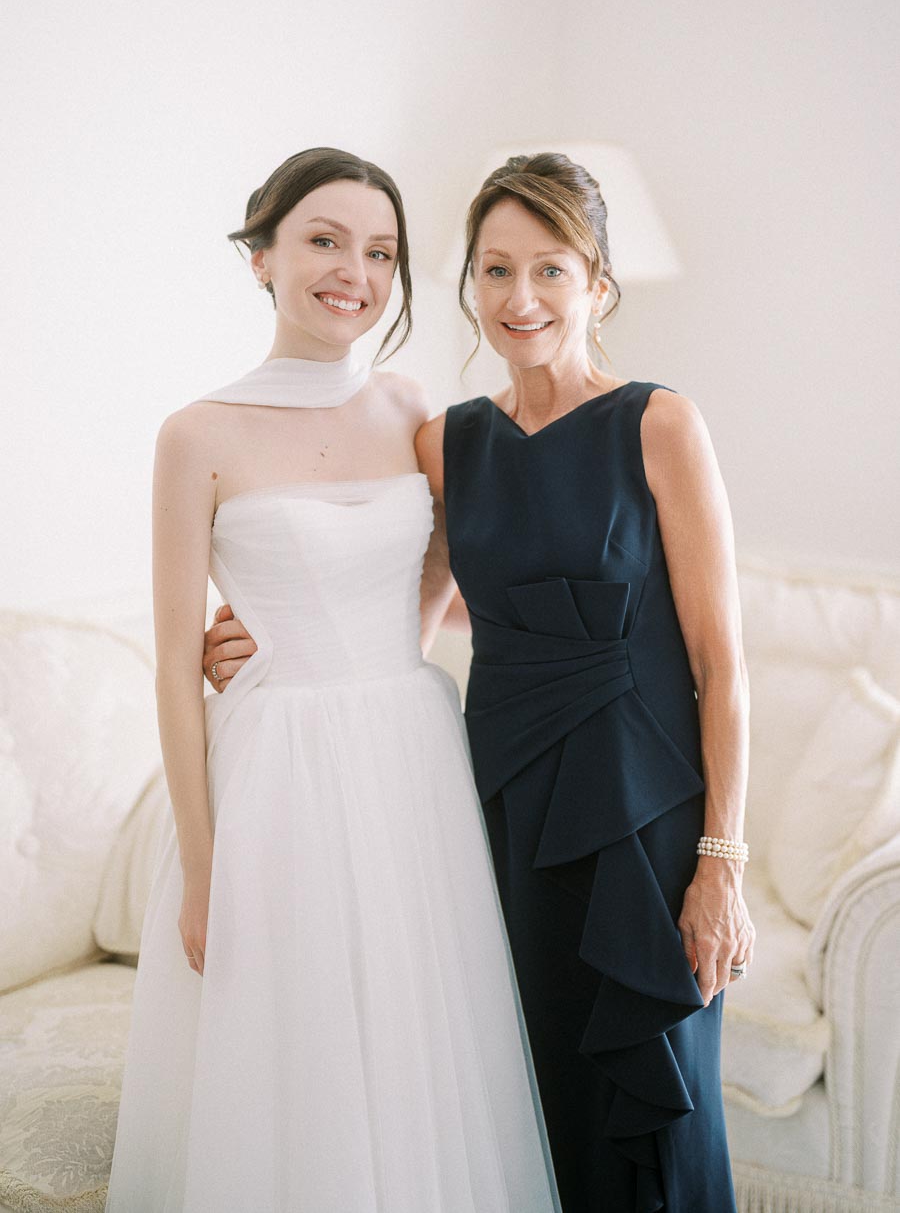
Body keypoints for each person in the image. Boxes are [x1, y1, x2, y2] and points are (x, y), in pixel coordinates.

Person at [203, 151, 756, 1212]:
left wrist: (721, 863)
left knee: (665, 1098)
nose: (520, 298)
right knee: (533, 1102)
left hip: (647, 812)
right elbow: (415, 605)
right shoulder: (448, 442)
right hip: (501, 804)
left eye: (549, 270)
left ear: (597, 284)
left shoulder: (659, 423)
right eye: (495, 271)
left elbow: (721, 660)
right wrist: (256, 636)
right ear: (469, 287)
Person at [105, 147, 560, 1213]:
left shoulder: (411, 409)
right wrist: (206, 870)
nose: (353, 270)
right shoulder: (197, 434)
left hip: (409, 757)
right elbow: (176, 668)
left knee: (416, 1039)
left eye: (381, 251)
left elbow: (446, 559)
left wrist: (360, 651)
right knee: (296, 1051)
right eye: (323, 240)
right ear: (261, 256)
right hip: (275, 776)